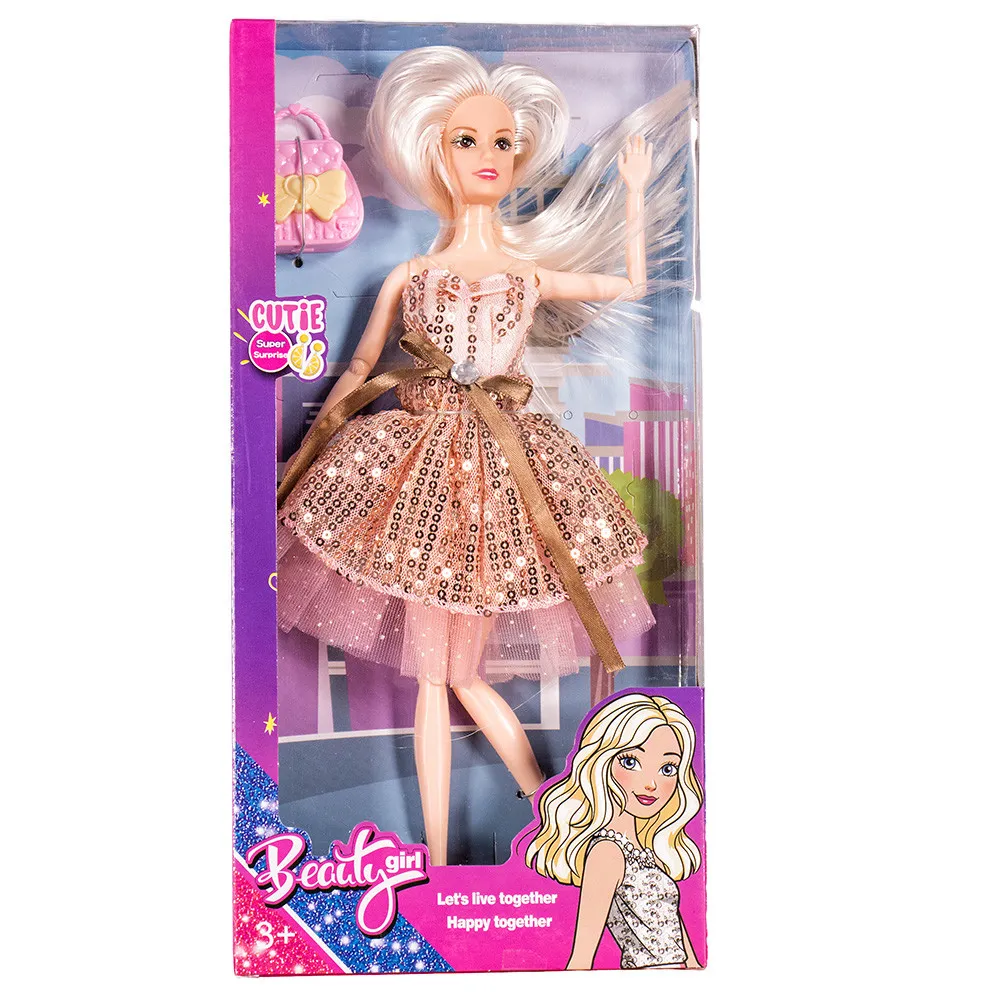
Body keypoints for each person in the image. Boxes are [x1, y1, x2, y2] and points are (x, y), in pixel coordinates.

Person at [276, 46, 691, 865]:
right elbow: (359, 372)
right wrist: (313, 453)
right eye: (468, 141)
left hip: (502, 475)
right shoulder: (412, 274)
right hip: (419, 474)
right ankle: (455, 850)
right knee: (443, 678)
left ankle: (548, 815)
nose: (489, 156)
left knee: (457, 676)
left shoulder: (526, 277)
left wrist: (635, 194)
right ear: (435, 149)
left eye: (503, 142)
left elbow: (630, 287)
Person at [524, 692, 703, 969]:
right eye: (631, 762)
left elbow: (683, 947)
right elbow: (582, 957)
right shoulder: (607, 853)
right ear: (602, 761)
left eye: (668, 768)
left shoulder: (646, 850)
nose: (651, 784)